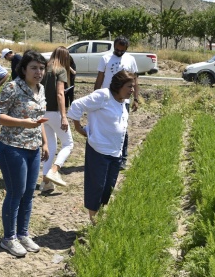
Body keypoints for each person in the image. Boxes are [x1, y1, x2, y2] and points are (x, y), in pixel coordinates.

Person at [0, 50, 49, 258]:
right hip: (12, 147)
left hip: (33, 148)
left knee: (29, 193)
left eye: (42, 68)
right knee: (15, 192)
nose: (38, 72)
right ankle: (8, 238)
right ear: (24, 69)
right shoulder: (12, 87)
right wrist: (22, 123)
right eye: (34, 68)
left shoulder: (41, 89)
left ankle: (23, 233)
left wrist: (44, 142)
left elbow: (39, 118)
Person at [68, 70, 135, 224]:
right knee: (96, 186)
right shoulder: (103, 96)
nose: (132, 90)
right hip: (98, 149)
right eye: (129, 86)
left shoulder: (123, 101)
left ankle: (100, 215)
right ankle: (94, 221)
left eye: (133, 86)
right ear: (119, 85)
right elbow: (77, 104)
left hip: (115, 151)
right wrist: (79, 128)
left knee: (108, 187)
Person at [94, 36, 140, 170]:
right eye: (117, 50)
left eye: (122, 51)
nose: (119, 52)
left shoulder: (130, 59)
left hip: (123, 100)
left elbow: (135, 81)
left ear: (126, 49)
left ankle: (122, 158)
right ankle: (106, 155)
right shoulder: (105, 58)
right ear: (114, 46)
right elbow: (100, 78)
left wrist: (135, 98)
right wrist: (96, 96)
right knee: (106, 127)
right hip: (107, 98)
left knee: (122, 129)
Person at [39, 46, 75, 193]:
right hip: (54, 112)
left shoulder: (43, 68)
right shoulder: (60, 70)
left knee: (51, 147)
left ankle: (46, 182)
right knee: (68, 144)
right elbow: (60, 94)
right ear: (65, 57)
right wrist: (64, 117)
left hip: (41, 112)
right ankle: (55, 169)